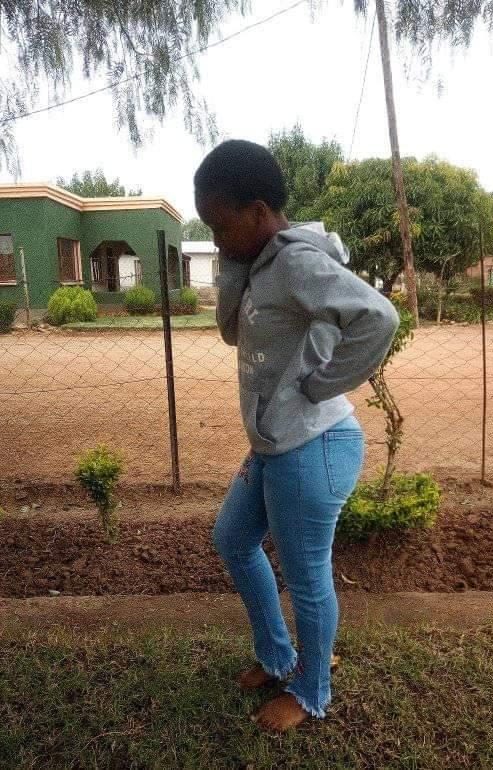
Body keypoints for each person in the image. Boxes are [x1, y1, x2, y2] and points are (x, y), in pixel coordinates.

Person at [194, 140, 399, 732]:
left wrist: (322, 384)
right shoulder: (260, 264)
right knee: (233, 539)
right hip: (276, 444)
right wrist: (235, 265)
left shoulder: (296, 263)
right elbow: (231, 332)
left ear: (258, 212)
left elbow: (379, 317)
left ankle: (311, 690)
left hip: (314, 444)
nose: (216, 239)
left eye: (220, 226)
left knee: (307, 579)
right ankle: (278, 656)